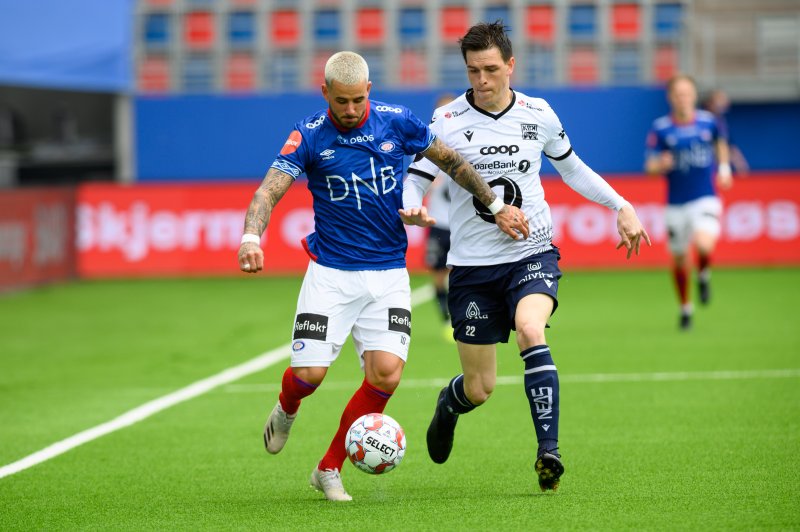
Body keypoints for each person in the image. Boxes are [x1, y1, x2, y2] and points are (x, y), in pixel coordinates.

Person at [237, 51, 528, 502]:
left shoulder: (398, 122)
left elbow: (451, 161)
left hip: (389, 272)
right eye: (341, 102)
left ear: (369, 91)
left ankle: (329, 468)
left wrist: (494, 206)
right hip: (331, 274)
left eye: (357, 100)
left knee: (387, 374)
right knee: (309, 374)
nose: (350, 110)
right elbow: (269, 189)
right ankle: (287, 407)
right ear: (325, 94)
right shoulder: (310, 133)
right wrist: (251, 237)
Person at [400, 21, 651, 493]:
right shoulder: (447, 121)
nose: (481, 79)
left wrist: (621, 204)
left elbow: (572, 169)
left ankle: (548, 452)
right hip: (472, 267)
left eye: (491, 69)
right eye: (473, 70)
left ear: (511, 66)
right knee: (480, 389)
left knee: (531, 328)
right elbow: (416, 176)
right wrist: (411, 203)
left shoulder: (538, 113)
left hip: (530, 252)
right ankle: (449, 405)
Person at [645, 74, 733, 330]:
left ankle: (704, 274)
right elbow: (649, 166)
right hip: (675, 204)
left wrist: (725, 168)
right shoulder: (661, 128)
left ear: (694, 95)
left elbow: (721, 144)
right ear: (670, 97)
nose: (683, 98)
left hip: (704, 197)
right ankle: (685, 308)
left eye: (687, 93)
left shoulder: (709, 122)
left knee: (704, 246)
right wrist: (659, 165)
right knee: (680, 259)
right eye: (678, 94)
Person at [423, 93, 457, 340]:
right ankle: (446, 319)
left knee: (461, 274)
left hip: (460, 225)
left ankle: (461, 317)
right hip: (437, 223)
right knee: (437, 276)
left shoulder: (467, 144)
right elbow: (414, 182)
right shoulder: (427, 147)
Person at [702, 88, 749, 176]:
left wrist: (739, 161)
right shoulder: (703, 120)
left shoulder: (721, 121)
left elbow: (728, 143)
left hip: (719, 167)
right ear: (710, 102)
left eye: (724, 100)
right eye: (719, 99)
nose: (724, 103)